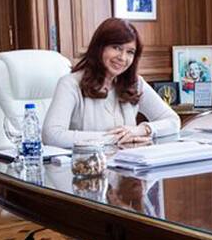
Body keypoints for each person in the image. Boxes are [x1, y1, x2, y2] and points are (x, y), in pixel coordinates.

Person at [43, 18, 180, 148]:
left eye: (130, 52)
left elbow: (173, 121)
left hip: (127, 166)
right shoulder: (70, 84)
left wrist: (141, 130)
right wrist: (114, 138)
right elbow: (52, 135)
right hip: (86, 167)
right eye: (116, 48)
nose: (123, 58)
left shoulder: (135, 83)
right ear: (99, 47)